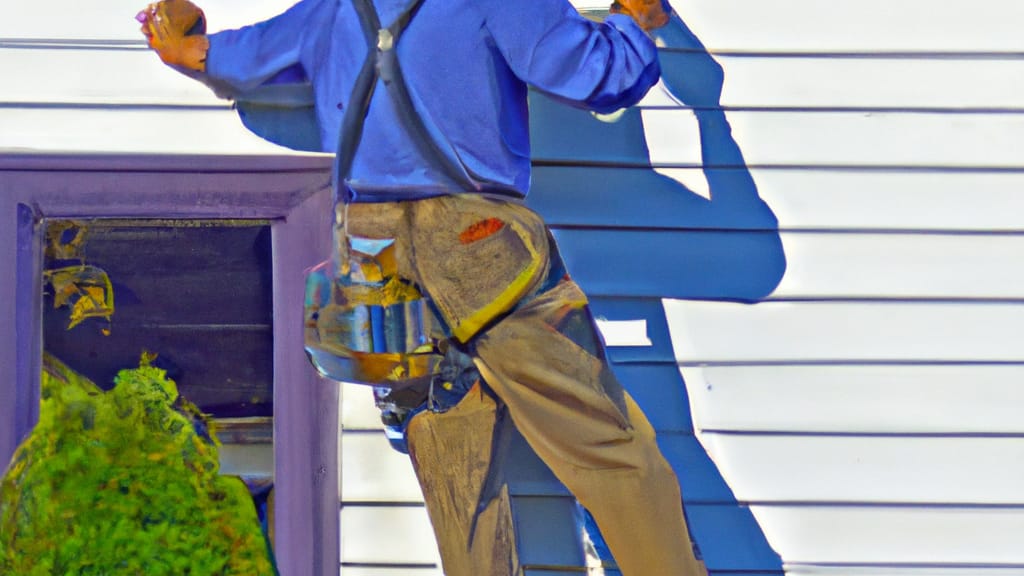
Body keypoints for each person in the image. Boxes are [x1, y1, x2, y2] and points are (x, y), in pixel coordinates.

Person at [137, 0, 707, 573]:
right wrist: (633, 20)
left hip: (373, 259)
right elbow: (598, 75)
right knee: (608, 452)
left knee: (456, 475)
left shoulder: (335, 8)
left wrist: (182, 33)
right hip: (476, 245)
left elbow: (213, 56)